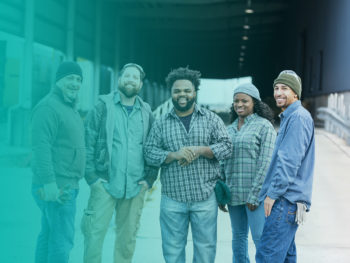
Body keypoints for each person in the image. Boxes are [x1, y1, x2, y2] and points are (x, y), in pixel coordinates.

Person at [144, 67, 232, 263]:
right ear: (171, 94)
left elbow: (226, 147)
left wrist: (200, 150)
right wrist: (174, 155)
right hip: (173, 199)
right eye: (177, 91)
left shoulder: (211, 119)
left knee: (205, 251)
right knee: (173, 251)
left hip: (204, 198)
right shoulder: (161, 123)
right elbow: (149, 152)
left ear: (195, 92)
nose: (181, 95)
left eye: (186, 90)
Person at [82, 63, 158, 263]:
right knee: (94, 236)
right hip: (105, 183)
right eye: (127, 76)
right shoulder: (102, 106)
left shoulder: (146, 112)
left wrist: (149, 179)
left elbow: (153, 146)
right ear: (119, 79)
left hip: (135, 186)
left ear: (140, 84)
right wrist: (92, 179)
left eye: (135, 77)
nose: (131, 80)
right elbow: (87, 142)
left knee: (127, 241)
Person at [256, 70, 315, 263]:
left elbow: (289, 161)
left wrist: (272, 194)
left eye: (284, 88)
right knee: (286, 258)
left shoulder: (298, 117)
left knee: (267, 257)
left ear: (295, 93)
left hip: (284, 201)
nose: (278, 92)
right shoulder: (292, 116)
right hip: (289, 202)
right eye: (276, 88)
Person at [31, 61, 85, 263]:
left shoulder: (68, 107)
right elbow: (41, 147)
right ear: (58, 81)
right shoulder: (48, 107)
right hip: (58, 187)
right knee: (62, 242)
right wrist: (49, 183)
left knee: (49, 235)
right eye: (70, 78)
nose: (75, 83)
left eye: (78, 79)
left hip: (66, 184)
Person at [221, 83, 276, 262]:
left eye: (244, 101)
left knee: (259, 237)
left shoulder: (264, 126)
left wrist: (255, 195)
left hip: (255, 196)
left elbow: (266, 163)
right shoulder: (228, 129)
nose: (239, 104)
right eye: (236, 101)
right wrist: (222, 192)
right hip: (233, 194)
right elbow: (222, 162)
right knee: (238, 236)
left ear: (255, 103)